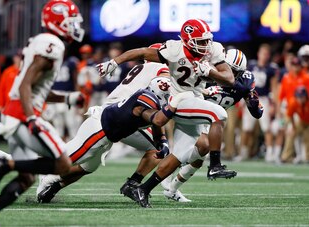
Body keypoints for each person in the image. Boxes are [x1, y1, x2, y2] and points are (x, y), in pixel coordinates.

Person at [96, 19, 238, 207]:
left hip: (195, 99)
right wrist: (114, 61)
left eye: (206, 41)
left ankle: (143, 189)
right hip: (180, 100)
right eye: (200, 41)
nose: (205, 45)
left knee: (180, 154)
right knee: (219, 114)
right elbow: (142, 52)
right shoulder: (173, 50)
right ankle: (215, 165)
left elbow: (229, 80)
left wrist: (211, 72)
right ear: (187, 40)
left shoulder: (214, 50)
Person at [0, 1, 85, 226]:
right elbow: (25, 83)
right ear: (59, 22)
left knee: (26, 179)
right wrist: (32, 117)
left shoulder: (43, 42)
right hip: (23, 114)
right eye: (71, 21)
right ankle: (5, 164)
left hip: (13, 113)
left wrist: (68, 98)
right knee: (63, 164)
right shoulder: (53, 44)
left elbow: (35, 88)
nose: (74, 26)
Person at [36, 77, 194, 204]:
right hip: (98, 129)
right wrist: (177, 100)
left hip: (107, 133)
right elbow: (158, 120)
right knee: (67, 159)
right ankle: (32, 167)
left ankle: (53, 182)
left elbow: (156, 125)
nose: (168, 102)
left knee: (88, 167)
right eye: (166, 98)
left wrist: (163, 142)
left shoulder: (150, 99)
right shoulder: (146, 98)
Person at [163, 49, 264, 202]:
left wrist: (254, 104)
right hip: (195, 112)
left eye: (236, 72)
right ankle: (170, 166)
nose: (232, 74)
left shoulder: (244, 81)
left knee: (199, 158)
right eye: (230, 70)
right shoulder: (206, 70)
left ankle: (172, 189)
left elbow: (257, 112)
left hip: (212, 118)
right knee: (203, 145)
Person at [238, 44, 278, 162]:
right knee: (246, 128)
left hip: (263, 99)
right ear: (259, 53)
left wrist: (273, 104)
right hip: (250, 98)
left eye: (266, 54)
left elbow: (274, 87)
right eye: (263, 53)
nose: (264, 56)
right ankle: (243, 153)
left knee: (266, 128)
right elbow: (244, 83)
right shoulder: (251, 66)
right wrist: (241, 99)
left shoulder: (271, 69)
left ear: (269, 56)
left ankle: (270, 153)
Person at [281, 86, 309, 164]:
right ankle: (286, 156)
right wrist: (292, 127)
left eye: (302, 97)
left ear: (305, 96)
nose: (300, 99)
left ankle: (307, 157)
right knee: (290, 133)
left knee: (307, 138)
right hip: (301, 121)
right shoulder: (293, 102)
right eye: (298, 97)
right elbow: (290, 116)